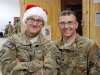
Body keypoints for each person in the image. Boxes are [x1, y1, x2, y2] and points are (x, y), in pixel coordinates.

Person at [0, 4, 61, 75]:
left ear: (43, 24)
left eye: (39, 21)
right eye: (31, 19)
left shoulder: (49, 45)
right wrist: (39, 63)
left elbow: (52, 72)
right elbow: (6, 70)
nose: (35, 24)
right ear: (26, 21)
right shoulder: (12, 41)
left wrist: (19, 67)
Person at [54, 10, 100, 75]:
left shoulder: (89, 46)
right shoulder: (53, 46)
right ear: (58, 25)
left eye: (70, 23)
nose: (66, 27)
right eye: (62, 23)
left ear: (76, 25)